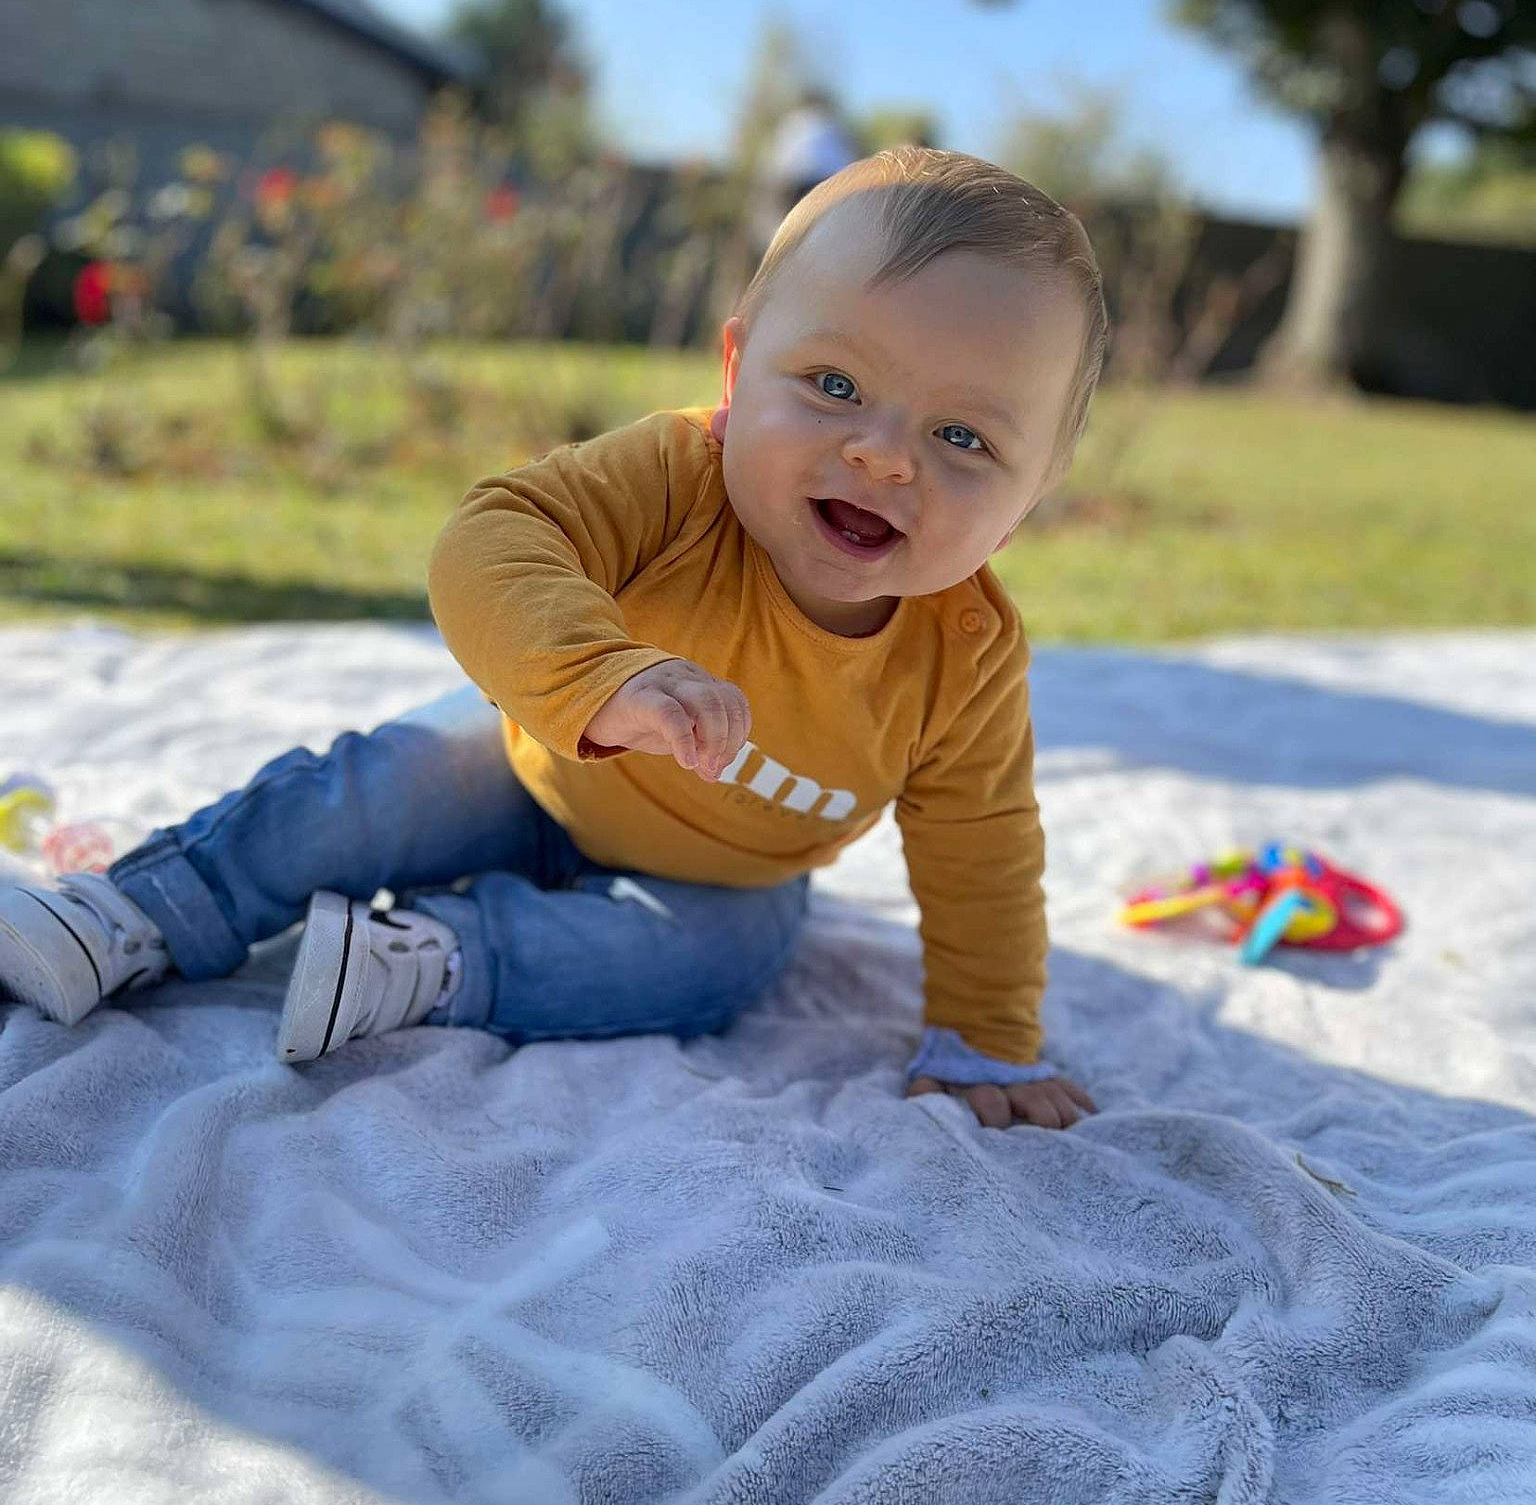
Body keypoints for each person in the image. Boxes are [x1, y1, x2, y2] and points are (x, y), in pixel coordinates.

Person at [0, 147, 1106, 1132]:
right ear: (734, 376)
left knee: (708, 966)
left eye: (963, 436)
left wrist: (987, 1038)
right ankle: (142, 911)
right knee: (372, 789)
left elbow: (983, 853)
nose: (884, 454)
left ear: (1024, 508)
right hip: (528, 765)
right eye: (834, 384)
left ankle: (431, 958)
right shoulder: (674, 479)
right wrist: (597, 672)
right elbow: (494, 537)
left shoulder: (963, 656)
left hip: (728, 878)